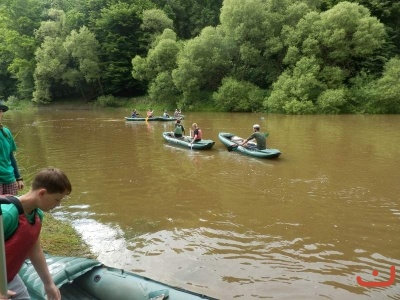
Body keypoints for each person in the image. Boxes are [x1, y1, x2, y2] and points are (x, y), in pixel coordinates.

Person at [0, 167, 72, 300]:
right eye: (57, 200)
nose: (59, 204)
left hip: (9, 276)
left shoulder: (36, 214)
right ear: (42, 193)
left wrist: (48, 284)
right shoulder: (7, 214)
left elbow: (35, 250)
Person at [0, 101, 24, 195]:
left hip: (9, 178)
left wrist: (18, 178)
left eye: (0, 111)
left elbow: (11, 157)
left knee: (12, 208)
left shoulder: (6, 132)